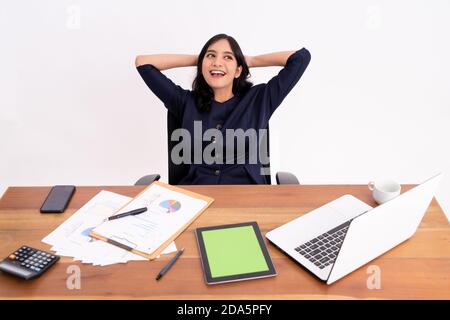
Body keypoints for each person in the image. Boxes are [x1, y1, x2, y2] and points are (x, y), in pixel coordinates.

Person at [135, 33, 311, 185]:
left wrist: (251, 60)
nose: (217, 62)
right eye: (211, 56)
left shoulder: (259, 99)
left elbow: (301, 58)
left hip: (247, 199)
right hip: (196, 198)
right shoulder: (184, 102)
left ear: (238, 71)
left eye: (228, 57)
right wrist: (199, 59)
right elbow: (143, 63)